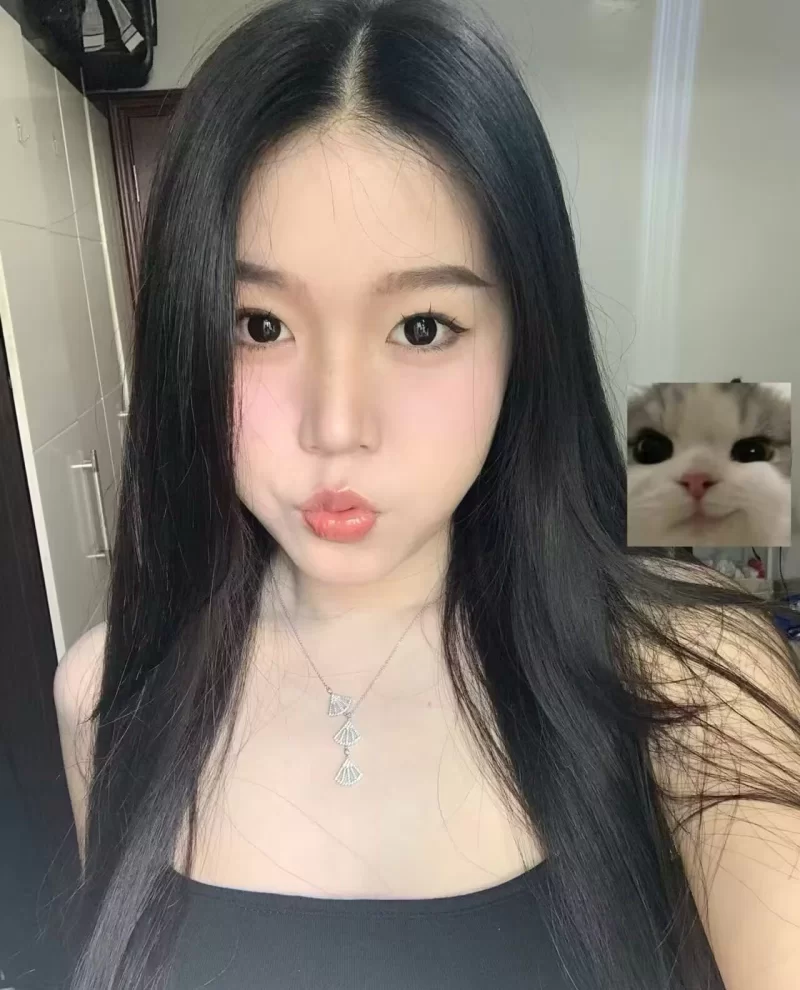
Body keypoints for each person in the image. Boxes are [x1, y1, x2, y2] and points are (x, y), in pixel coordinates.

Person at [51, 0, 800, 988]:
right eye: (259, 325)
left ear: (522, 342)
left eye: (421, 328)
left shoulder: (697, 684)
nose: (335, 427)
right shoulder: (107, 693)